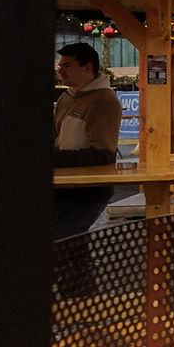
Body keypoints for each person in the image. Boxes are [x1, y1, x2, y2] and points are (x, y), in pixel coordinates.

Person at [54, 42, 123, 240]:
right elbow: (56, 137)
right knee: (68, 246)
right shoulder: (66, 98)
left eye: (66, 66)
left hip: (88, 191)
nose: (61, 71)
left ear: (87, 68)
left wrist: (52, 159)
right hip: (63, 187)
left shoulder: (104, 101)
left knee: (65, 242)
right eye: (60, 66)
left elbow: (102, 154)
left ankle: (80, 272)